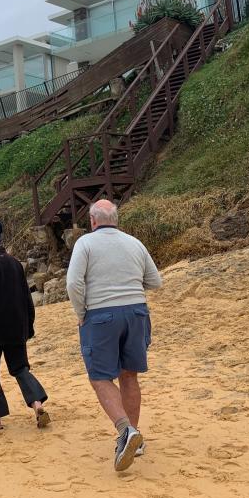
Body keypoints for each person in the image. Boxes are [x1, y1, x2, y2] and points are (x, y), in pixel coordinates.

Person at [66, 200, 162, 473]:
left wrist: (81, 312)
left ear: (93, 221)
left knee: (99, 377)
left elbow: (73, 283)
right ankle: (135, 437)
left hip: (101, 315)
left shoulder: (85, 243)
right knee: (129, 375)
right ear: (116, 219)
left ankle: (125, 430)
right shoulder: (134, 242)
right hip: (136, 312)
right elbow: (155, 281)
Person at [0, 218, 50, 432]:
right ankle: (37, 404)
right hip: (16, 327)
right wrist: (29, 326)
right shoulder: (14, 263)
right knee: (20, 368)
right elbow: (26, 298)